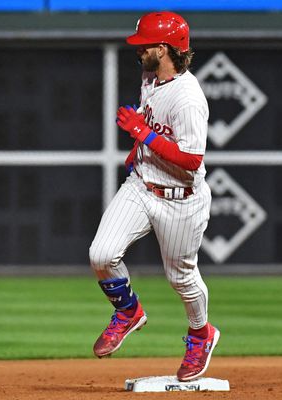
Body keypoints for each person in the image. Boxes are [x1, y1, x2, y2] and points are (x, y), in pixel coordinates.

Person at [88, 12, 219, 382]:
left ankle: (200, 335)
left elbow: (192, 160)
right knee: (101, 254)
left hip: (181, 199)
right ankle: (128, 311)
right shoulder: (151, 77)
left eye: (145, 45)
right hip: (142, 186)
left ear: (163, 49)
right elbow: (153, 132)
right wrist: (140, 149)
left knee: (182, 278)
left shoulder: (190, 98)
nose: (138, 50)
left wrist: (144, 135)